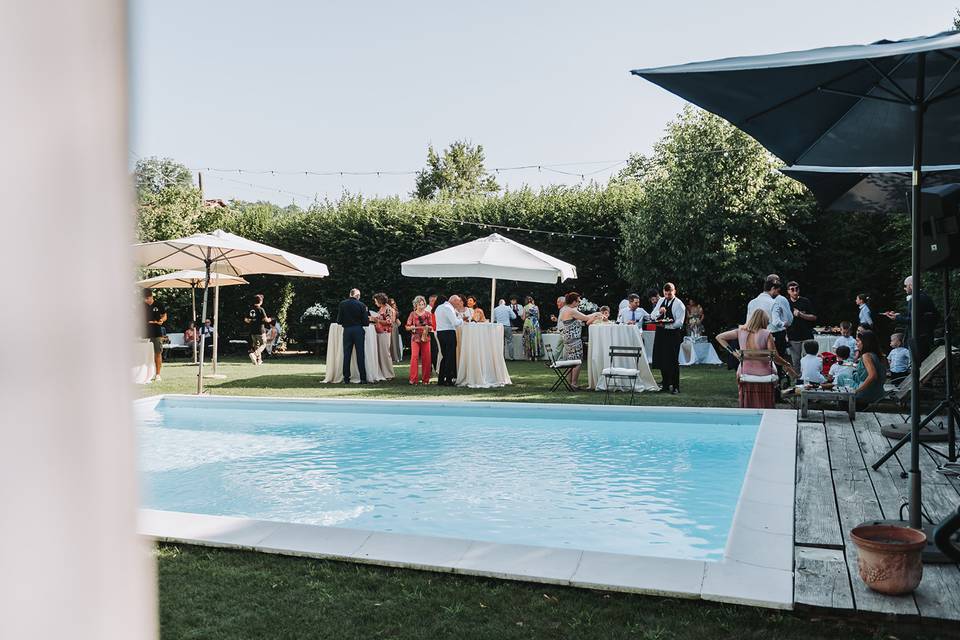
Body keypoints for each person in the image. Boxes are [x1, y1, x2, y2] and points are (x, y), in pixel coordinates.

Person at [717, 309, 797, 408]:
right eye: (767, 321)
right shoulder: (767, 334)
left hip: (744, 372)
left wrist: (733, 352)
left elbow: (719, 337)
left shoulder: (740, 331)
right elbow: (775, 357)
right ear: (763, 321)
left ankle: (746, 406)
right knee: (774, 371)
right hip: (765, 373)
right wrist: (787, 364)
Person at [883, 275, 939, 363]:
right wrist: (899, 315)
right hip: (924, 337)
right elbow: (917, 316)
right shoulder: (925, 296)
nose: (904, 288)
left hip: (918, 339)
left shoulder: (916, 299)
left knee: (918, 365)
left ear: (911, 285)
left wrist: (897, 318)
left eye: (905, 286)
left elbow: (913, 320)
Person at [557, 292, 603, 390]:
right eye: (578, 301)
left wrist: (594, 314)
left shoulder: (565, 309)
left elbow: (582, 317)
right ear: (573, 301)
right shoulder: (570, 311)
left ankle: (570, 383)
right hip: (573, 340)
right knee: (577, 361)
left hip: (568, 339)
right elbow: (586, 318)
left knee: (571, 361)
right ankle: (574, 384)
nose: (579, 302)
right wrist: (596, 314)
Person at [651, 283, 686, 394]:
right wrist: (659, 312)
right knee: (662, 359)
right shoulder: (661, 301)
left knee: (673, 360)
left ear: (674, 291)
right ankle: (665, 385)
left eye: (670, 293)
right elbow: (652, 315)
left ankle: (676, 387)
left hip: (672, 334)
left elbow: (679, 323)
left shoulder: (679, 304)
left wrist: (667, 325)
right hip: (661, 333)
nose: (667, 295)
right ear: (663, 292)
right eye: (666, 293)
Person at [337, 288, 370, 383]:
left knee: (346, 354)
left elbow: (339, 321)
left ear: (350, 294)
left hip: (347, 331)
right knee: (360, 354)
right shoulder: (362, 305)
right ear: (357, 296)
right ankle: (363, 378)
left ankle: (346, 378)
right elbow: (366, 323)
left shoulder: (342, 304)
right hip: (358, 330)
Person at [851, 330, 889, 411]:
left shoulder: (866, 356)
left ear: (865, 342)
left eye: (858, 341)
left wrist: (857, 390)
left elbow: (872, 376)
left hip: (867, 393)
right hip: (879, 392)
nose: (856, 344)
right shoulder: (881, 356)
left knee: (842, 381)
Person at [786, 281, 817, 373]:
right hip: (793, 337)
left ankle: (807, 380)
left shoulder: (805, 301)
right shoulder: (786, 303)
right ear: (788, 291)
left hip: (806, 336)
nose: (795, 292)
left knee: (807, 360)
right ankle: (797, 382)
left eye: (797, 289)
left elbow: (814, 317)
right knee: (796, 361)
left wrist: (800, 314)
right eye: (792, 290)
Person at [434, 294, 463, 386]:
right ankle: (448, 380)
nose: (458, 304)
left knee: (445, 356)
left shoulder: (439, 307)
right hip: (449, 333)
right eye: (458, 302)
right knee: (450, 357)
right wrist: (461, 320)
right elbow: (455, 322)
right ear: (453, 301)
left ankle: (441, 379)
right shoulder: (448, 307)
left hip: (440, 333)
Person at [405, 295, 433, 385]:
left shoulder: (428, 314)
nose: (421, 306)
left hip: (426, 337)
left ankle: (426, 380)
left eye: (423, 304)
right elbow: (407, 327)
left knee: (427, 358)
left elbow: (432, 327)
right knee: (414, 357)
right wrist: (411, 327)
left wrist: (428, 328)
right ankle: (413, 379)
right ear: (415, 305)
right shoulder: (412, 314)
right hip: (415, 338)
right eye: (419, 304)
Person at [143, 289, 167, 382]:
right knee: (146, 354)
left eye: (148, 298)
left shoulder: (159, 304)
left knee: (158, 353)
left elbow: (165, 316)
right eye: (145, 299)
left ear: (151, 296)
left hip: (157, 332)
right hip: (145, 333)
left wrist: (162, 320)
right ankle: (145, 374)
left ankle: (158, 374)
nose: (146, 300)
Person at [372, 293, 396, 380]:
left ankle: (389, 374)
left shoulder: (388, 309)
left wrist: (376, 319)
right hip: (379, 332)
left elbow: (389, 322)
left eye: (375, 301)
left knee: (386, 353)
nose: (375, 303)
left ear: (380, 300)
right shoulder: (381, 308)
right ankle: (383, 373)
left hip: (385, 333)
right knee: (381, 353)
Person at [244, 294, 271, 366]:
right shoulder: (261, 309)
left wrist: (252, 320)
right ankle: (254, 354)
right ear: (261, 301)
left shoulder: (250, 309)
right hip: (260, 330)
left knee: (256, 345)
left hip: (252, 331)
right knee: (264, 344)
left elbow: (246, 320)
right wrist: (270, 319)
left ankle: (259, 361)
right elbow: (265, 320)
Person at [521, 295, 543, 360]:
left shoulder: (525, 307)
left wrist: (521, 317)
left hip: (528, 323)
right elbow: (538, 317)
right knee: (536, 338)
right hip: (535, 323)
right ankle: (536, 355)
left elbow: (524, 318)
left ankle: (530, 356)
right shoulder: (536, 307)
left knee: (528, 339)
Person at [388, 297, 403, 363]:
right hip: (394, 326)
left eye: (394, 303)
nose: (394, 304)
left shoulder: (392, 310)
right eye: (392, 303)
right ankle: (396, 357)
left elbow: (393, 320)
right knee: (393, 342)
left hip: (393, 326)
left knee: (394, 342)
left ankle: (395, 357)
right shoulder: (392, 310)